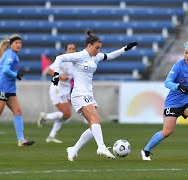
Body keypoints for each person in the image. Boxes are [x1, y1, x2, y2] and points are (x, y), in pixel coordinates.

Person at [51, 29, 137, 161]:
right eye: (96, 47)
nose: (98, 50)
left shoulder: (96, 57)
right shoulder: (79, 55)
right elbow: (60, 58)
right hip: (79, 93)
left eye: (100, 48)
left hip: (88, 94)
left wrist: (125, 48)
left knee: (94, 125)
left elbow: (111, 56)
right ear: (89, 45)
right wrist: (56, 73)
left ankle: (73, 149)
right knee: (95, 120)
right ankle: (101, 147)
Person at [140, 40, 188, 161]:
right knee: (167, 131)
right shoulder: (178, 66)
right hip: (173, 103)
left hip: (187, 102)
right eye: (186, 53)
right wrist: (179, 87)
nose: (187, 56)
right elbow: (167, 83)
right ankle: (145, 150)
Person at [37, 43, 77, 144]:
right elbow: (49, 71)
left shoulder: (75, 62)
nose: (72, 50)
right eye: (69, 49)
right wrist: (60, 77)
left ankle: (51, 136)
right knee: (67, 114)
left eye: (73, 49)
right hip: (57, 89)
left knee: (66, 115)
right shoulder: (62, 60)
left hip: (66, 90)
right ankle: (46, 116)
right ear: (66, 50)